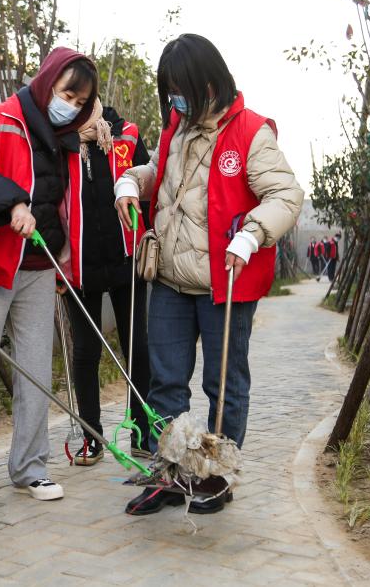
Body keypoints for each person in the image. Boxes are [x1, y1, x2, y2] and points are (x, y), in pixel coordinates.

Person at [114, 34, 303, 515]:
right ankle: (170, 473)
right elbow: (158, 172)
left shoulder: (251, 132)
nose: (176, 100)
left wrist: (252, 234)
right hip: (171, 281)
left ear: (210, 83)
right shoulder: (175, 129)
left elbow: (286, 195)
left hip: (226, 282)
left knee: (224, 386)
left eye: (183, 90)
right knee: (165, 384)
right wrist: (131, 181)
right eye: (171, 91)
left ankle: (216, 476)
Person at [0, 47, 99, 505]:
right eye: (67, 93)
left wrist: (66, 256)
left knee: (36, 372)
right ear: (47, 82)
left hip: (39, 268)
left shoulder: (68, 138)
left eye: (80, 101)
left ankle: (31, 467)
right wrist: (14, 203)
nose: (71, 105)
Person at [61, 100, 152, 465]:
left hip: (126, 258)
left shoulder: (126, 134)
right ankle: (91, 437)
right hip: (78, 265)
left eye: (83, 94)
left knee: (136, 347)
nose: (75, 103)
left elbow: (148, 189)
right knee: (86, 351)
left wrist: (149, 239)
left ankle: (143, 432)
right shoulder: (60, 140)